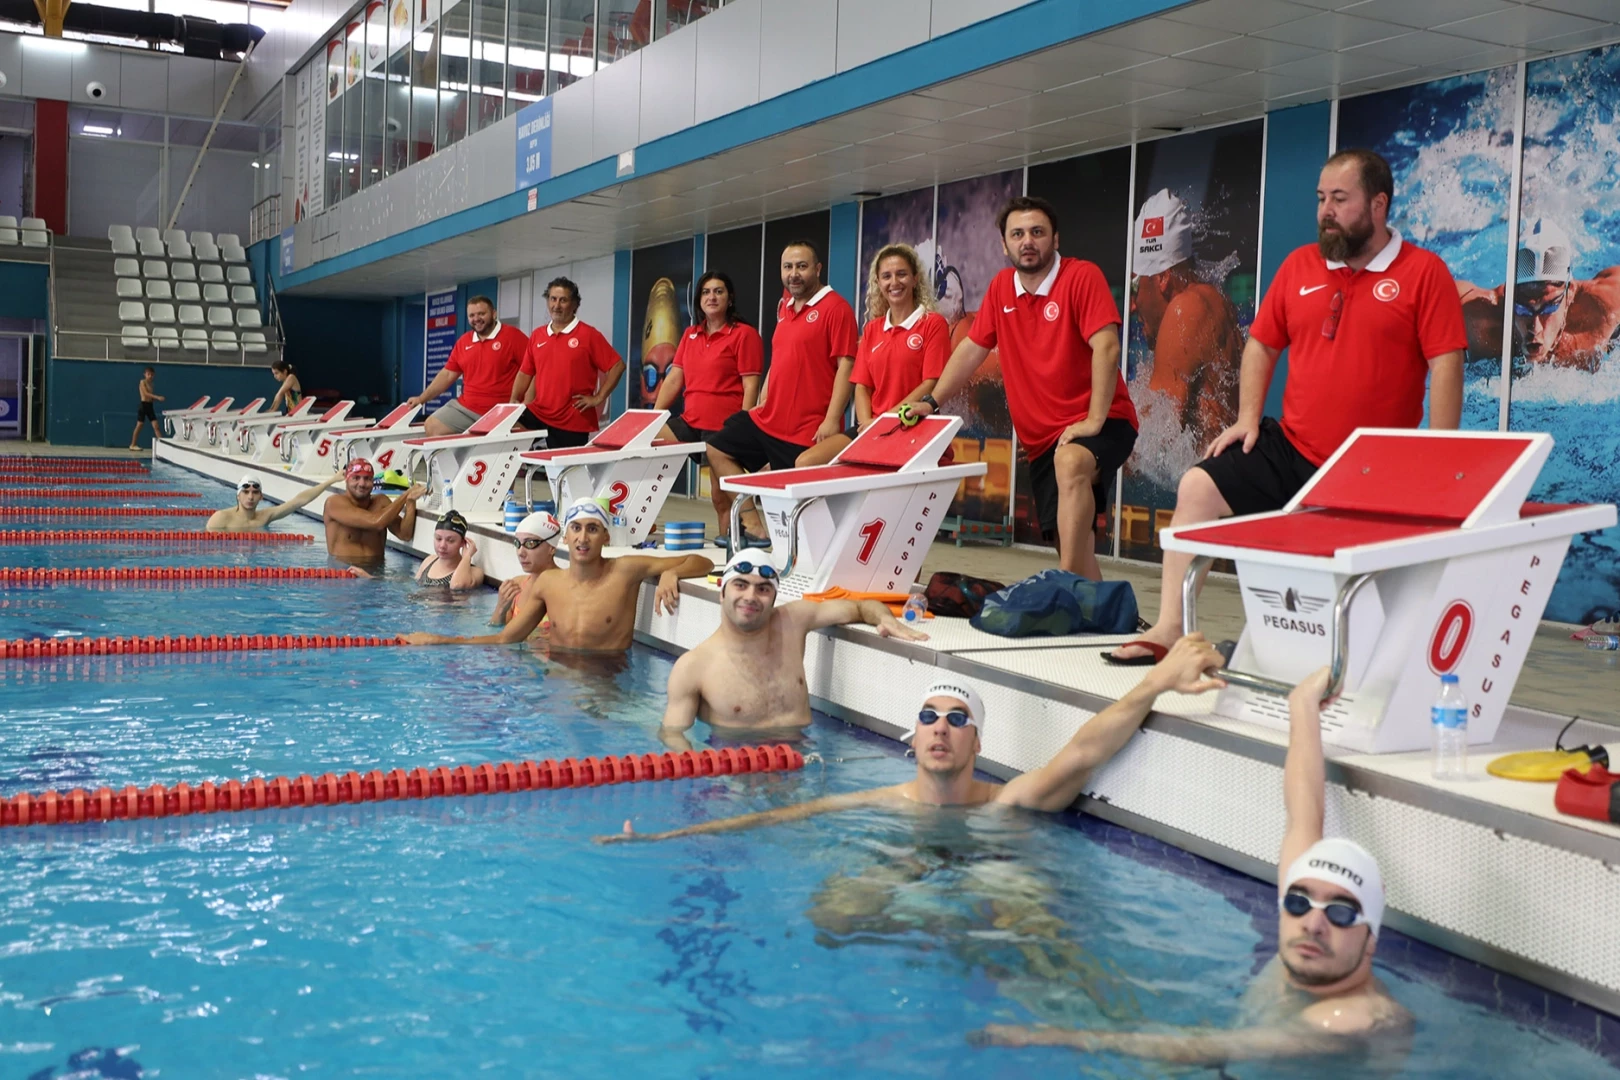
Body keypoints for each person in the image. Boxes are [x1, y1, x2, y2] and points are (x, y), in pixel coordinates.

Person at [1109, 149, 1466, 665]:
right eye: (1321, 199)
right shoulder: (1301, 266)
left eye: (1339, 199)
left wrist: (1438, 453)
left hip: (1372, 467)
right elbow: (1261, 345)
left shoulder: (1423, 273)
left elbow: (1446, 364)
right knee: (1198, 487)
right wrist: (1247, 418)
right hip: (1294, 448)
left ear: (1379, 205)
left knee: (1370, 602)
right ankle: (1171, 627)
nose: (1325, 211)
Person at [974, 667, 1411, 1065]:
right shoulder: (1315, 931)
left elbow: (1205, 1050)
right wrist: (1302, 705)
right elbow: (1304, 811)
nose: (1314, 923)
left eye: (1341, 913)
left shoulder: (1351, 1017)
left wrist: (1051, 1036)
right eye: (1298, 902)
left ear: (1371, 937)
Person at [606, 632, 1221, 834]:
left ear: (977, 743)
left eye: (957, 719)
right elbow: (772, 819)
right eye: (928, 717)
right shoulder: (880, 801)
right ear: (913, 736)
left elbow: (1084, 752)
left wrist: (1157, 680)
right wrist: (665, 836)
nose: (941, 728)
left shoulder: (1010, 801)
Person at [903, 196, 1138, 581]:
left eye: (1037, 232)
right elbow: (972, 350)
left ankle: (1061, 586)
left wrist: (1094, 420)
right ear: (1004, 244)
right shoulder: (1001, 289)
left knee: (1071, 464)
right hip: (1044, 441)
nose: (1027, 241)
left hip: (1102, 421)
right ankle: (1095, 604)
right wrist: (932, 401)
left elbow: (1107, 346)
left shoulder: (1081, 277)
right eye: (1017, 234)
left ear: (1055, 239)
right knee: (1070, 542)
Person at [653, 551, 931, 752]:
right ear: (722, 593)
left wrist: (884, 618)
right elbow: (672, 735)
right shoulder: (694, 667)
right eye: (740, 585)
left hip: (801, 762)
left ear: (774, 598)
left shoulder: (793, 621)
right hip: (733, 776)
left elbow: (860, 606)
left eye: (763, 589)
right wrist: (703, 769)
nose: (750, 596)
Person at [402, 497, 711, 651]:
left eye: (593, 529)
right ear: (565, 537)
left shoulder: (625, 570)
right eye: (576, 528)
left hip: (606, 683)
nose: (583, 538)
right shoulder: (549, 583)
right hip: (556, 681)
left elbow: (702, 561)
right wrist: (440, 640)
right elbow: (507, 637)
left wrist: (671, 573)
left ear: (606, 536)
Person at [706, 241, 858, 545]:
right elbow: (779, 359)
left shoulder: (836, 308)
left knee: (801, 528)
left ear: (817, 269)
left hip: (807, 429)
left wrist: (832, 419)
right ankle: (753, 526)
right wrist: (762, 401)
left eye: (802, 266)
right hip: (770, 419)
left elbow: (847, 365)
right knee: (717, 448)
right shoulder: (785, 307)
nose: (794, 274)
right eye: (788, 267)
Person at [795, 243, 949, 468]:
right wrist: (868, 424)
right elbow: (862, 387)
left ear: (915, 279)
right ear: (878, 283)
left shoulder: (933, 324)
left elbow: (930, 383)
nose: (894, 282)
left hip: (912, 425)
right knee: (806, 462)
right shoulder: (872, 329)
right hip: (872, 426)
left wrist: (883, 422)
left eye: (901, 274)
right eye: (886, 276)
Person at [1130, 188, 1245, 453]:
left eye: (1134, 287)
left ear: (1162, 278)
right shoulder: (1213, 301)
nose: (1132, 305)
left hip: (1210, 475)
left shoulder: (1186, 309)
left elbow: (1153, 445)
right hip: (1220, 470)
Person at [1459, 217, 1620, 372]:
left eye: (1548, 308)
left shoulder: (1603, 309)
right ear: (1508, 296)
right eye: (1523, 309)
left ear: (1569, 293)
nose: (1535, 329)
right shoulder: (1478, 320)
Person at [653, 270, 763, 450]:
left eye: (718, 292)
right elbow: (673, 380)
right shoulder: (690, 334)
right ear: (699, 299)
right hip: (689, 423)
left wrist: (742, 429)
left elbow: (750, 386)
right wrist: (653, 419)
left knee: (714, 469)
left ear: (730, 299)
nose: (712, 297)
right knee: (647, 440)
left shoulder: (745, 334)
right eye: (706, 292)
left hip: (724, 427)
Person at [510, 277, 626, 448]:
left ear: (574, 305)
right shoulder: (537, 335)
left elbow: (617, 366)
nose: (556, 305)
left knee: (562, 465)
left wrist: (598, 397)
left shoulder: (588, 335)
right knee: (508, 434)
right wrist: (513, 400)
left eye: (563, 300)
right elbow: (525, 372)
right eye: (553, 299)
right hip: (540, 412)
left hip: (572, 419)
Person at [408, 295, 529, 436]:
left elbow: (534, 371)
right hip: (466, 409)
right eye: (472, 315)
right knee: (432, 425)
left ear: (494, 314)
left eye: (481, 314)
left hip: (500, 411)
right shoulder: (464, 342)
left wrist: (526, 403)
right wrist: (421, 399)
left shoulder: (513, 336)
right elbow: (447, 375)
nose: (476, 319)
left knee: (515, 436)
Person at [322, 458, 426, 570]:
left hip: (377, 573)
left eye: (367, 478)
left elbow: (404, 535)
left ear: (373, 481)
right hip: (344, 573)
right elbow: (375, 522)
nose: (362, 484)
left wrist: (410, 501)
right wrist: (406, 495)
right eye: (356, 478)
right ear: (346, 480)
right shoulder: (334, 503)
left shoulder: (380, 502)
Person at [492, 509, 562, 626]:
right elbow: (496, 630)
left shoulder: (567, 589)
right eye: (517, 543)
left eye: (530, 543)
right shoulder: (516, 586)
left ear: (552, 548)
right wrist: (501, 609)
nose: (520, 552)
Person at [206, 472, 340, 532]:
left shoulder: (265, 517)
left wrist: (332, 480)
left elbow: (299, 501)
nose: (250, 497)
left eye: (255, 492)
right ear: (238, 496)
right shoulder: (221, 518)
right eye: (246, 492)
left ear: (261, 496)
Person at [414, 509, 485, 590]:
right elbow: (414, 586)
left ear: (463, 542)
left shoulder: (475, 572)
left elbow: (457, 585)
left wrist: (467, 556)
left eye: (450, 541)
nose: (442, 546)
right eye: (438, 539)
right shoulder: (429, 561)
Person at [129, 367, 164, 451]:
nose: (150, 376)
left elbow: (150, 397)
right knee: (139, 425)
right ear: (145, 374)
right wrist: (157, 397)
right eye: (148, 374)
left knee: (156, 426)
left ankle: (163, 446)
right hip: (143, 405)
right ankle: (133, 444)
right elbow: (145, 393)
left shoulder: (152, 384)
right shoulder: (142, 382)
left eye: (152, 375)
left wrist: (154, 399)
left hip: (150, 406)